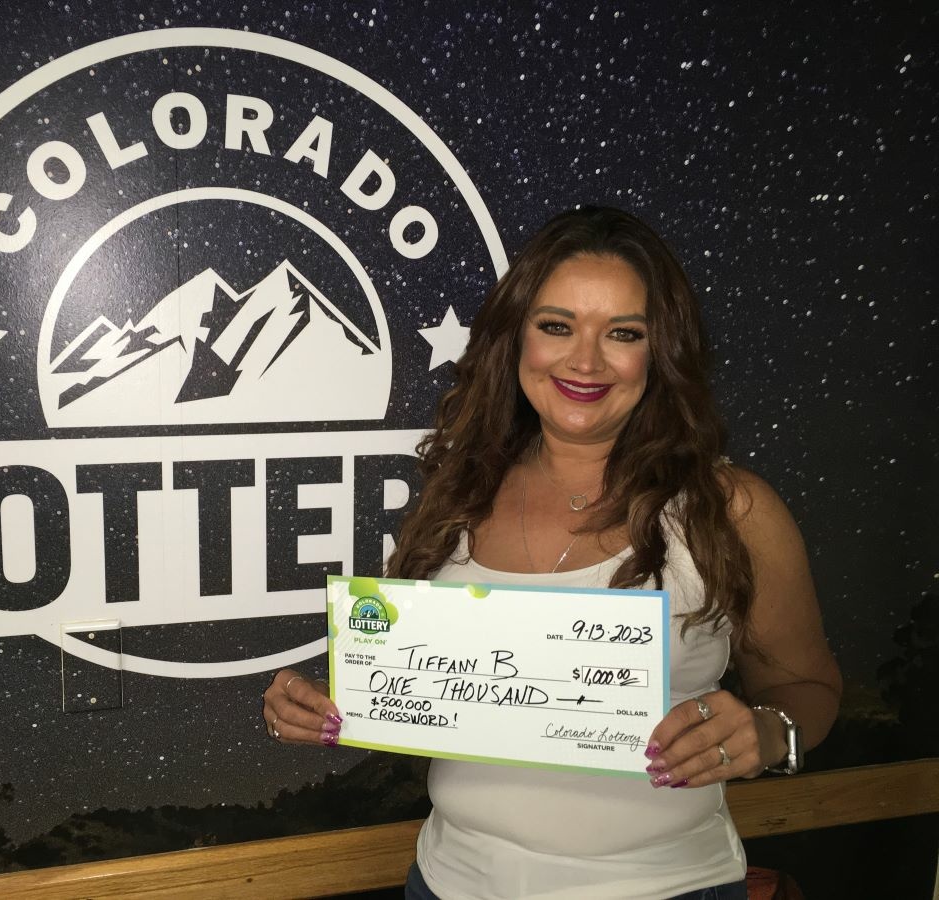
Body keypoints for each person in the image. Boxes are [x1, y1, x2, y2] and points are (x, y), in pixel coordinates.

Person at [262, 206, 841, 899]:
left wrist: (769, 735)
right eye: (557, 326)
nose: (586, 360)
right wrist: (333, 702)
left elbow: (808, 687)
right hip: (450, 883)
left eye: (623, 333)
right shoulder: (456, 494)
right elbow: (432, 681)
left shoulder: (731, 509)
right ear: (516, 339)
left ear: (660, 353)